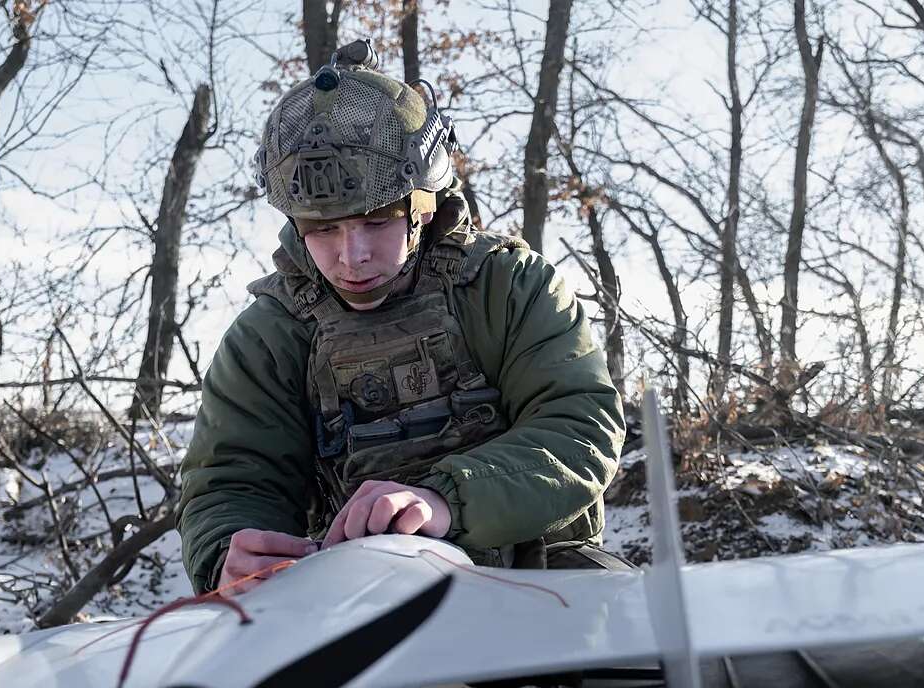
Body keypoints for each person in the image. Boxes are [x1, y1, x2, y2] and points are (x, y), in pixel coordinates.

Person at [177, 41, 626, 595]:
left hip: (538, 575)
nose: (352, 255)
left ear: (424, 205)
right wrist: (229, 552)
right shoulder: (268, 337)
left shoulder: (512, 287)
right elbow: (233, 479)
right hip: (354, 596)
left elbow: (579, 428)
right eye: (322, 230)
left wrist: (444, 500)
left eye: (376, 222)